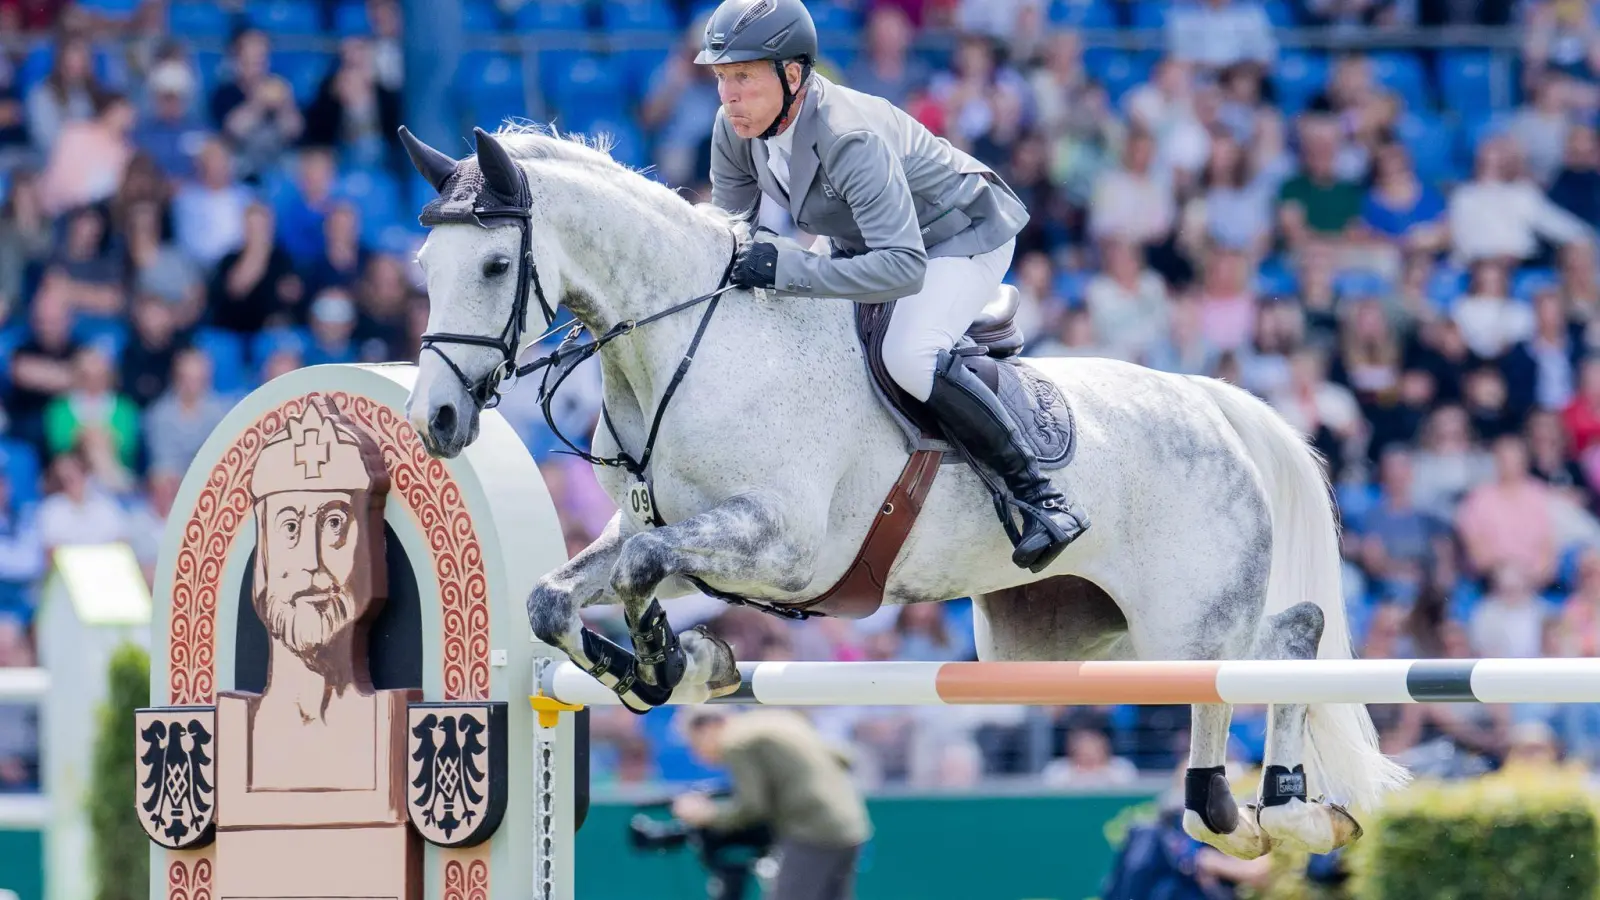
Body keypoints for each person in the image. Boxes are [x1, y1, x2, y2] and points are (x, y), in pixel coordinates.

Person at [695, 0, 1089, 572]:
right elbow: (730, 232)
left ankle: (1037, 495)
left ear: (794, 74)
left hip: (956, 236)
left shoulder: (848, 137)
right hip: (862, 238)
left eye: (744, 76)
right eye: (722, 77)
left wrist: (785, 271)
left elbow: (903, 268)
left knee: (906, 355)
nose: (729, 94)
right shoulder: (736, 128)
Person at [671, 707, 872, 900]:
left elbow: (753, 807)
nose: (698, 756)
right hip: (849, 824)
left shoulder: (736, 740)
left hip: (812, 831)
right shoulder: (772, 720)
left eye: (694, 744)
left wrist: (706, 814)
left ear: (707, 728)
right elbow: (840, 756)